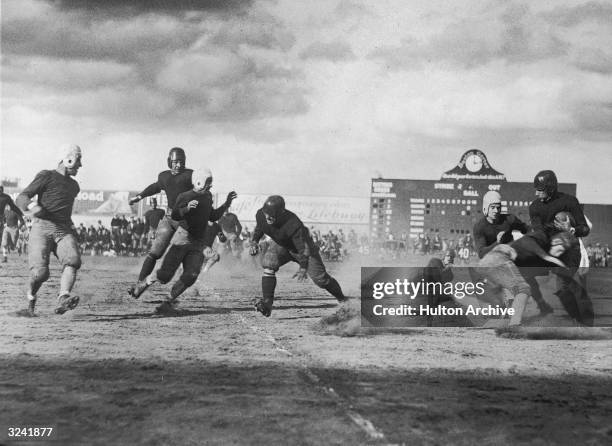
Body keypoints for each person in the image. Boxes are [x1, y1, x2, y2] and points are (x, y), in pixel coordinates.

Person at [133, 167, 236, 313]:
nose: (210, 185)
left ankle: (168, 301)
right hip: (183, 237)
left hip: (198, 241)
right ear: (199, 181)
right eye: (208, 182)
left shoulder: (207, 197)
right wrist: (186, 208)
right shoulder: (185, 196)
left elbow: (212, 216)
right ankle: (145, 283)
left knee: (191, 275)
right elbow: (175, 215)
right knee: (165, 275)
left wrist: (226, 204)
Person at [248, 195, 347, 317]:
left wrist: (303, 267)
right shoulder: (261, 215)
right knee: (269, 263)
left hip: (304, 250)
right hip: (283, 246)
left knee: (321, 280)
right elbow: (260, 227)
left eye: (271, 213)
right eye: (266, 212)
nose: (267, 216)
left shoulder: (293, 223)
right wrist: (254, 241)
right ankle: (268, 303)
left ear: (281, 213)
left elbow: (303, 248)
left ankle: (343, 300)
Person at [15, 144, 83, 316]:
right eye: (78, 160)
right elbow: (22, 197)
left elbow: (64, 212)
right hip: (42, 227)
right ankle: (31, 295)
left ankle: (63, 298)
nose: (80, 165)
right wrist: (32, 206)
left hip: (63, 229)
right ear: (69, 159)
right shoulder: (47, 176)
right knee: (40, 273)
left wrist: (73, 230)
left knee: (73, 260)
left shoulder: (74, 186)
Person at [127, 147, 194, 297]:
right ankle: (140, 284)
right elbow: (155, 187)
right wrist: (138, 197)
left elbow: (201, 188)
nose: (178, 165)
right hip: (170, 218)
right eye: (175, 162)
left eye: (181, 162)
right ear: (169, 161)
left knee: (179, 257)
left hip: (186, 222)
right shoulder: (164, 176)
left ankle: (176, 292)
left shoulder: (190, 175)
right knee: (154, 252)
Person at [529, 170, 593, 325]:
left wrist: (571, 229)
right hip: (550, 249)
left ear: (550, 188)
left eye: (540, 189)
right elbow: (539, 232)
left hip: (570, 249)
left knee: (561, 285)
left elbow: (584, 228)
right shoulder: (535, 207)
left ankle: (582, 323)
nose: (537, 193)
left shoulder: (569, 201)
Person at [475, 232, 574, 326]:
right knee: (523, 289)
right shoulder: (525, 245)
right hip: (501, 259)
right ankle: (514, 324)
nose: (560, 253)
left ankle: (499, 319)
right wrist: (565, 267)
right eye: (561, 250)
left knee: (506, 291)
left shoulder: (516, 246)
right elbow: (546, 258)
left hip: (483, 265)